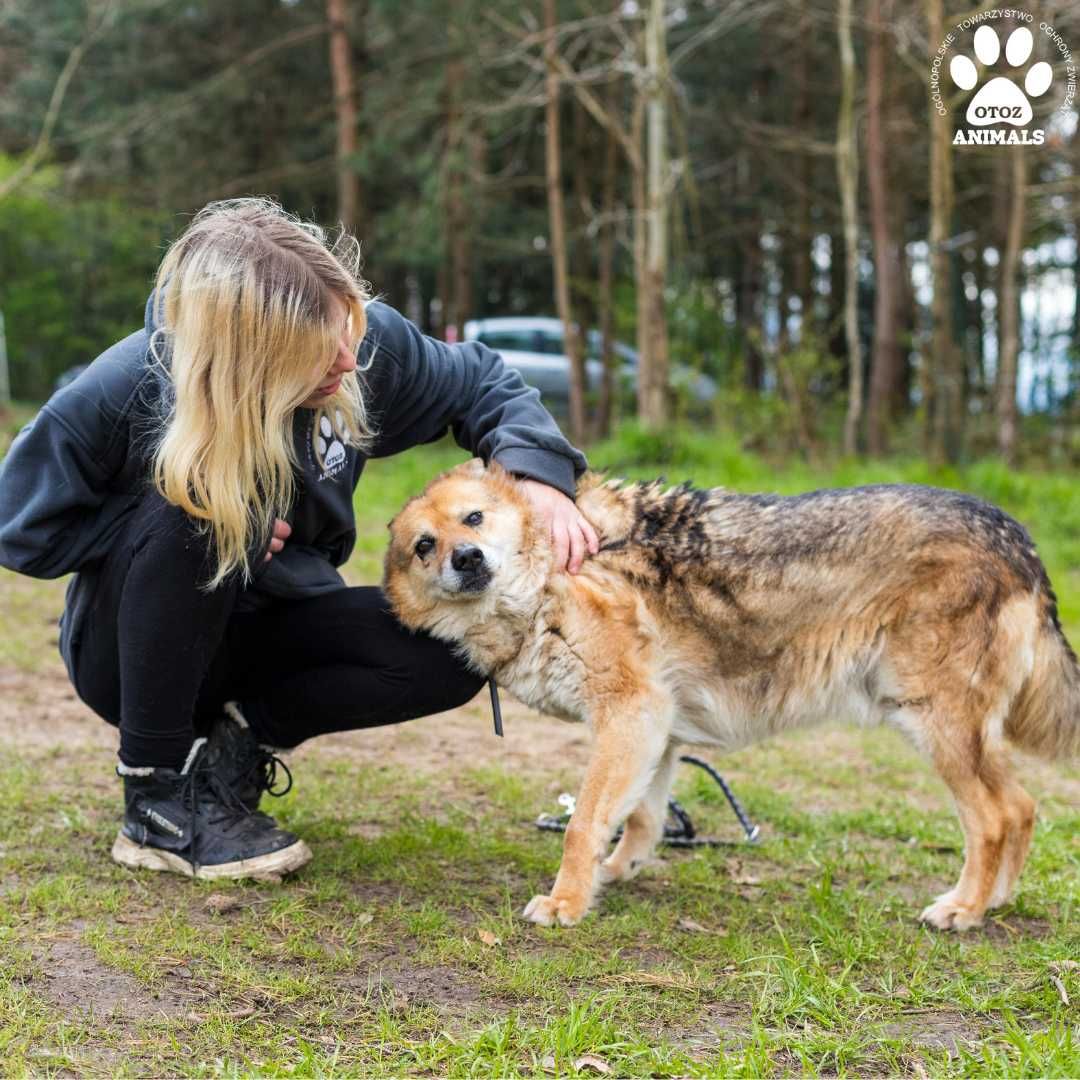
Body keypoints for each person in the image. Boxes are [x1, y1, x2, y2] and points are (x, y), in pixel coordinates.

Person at [0, 197, 597, 881]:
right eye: (321, 350)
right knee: (197, 504)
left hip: (277, 625)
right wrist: (221, 529)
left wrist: (539, 474)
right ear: (250, 357)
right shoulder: (130, 387)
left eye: (349, 331)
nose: (347, 359)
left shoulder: (358, 352)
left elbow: (485, 383)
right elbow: (18, 527)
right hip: (135, 656)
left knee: (460, 642)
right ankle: (157, 803)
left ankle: (235, 752)